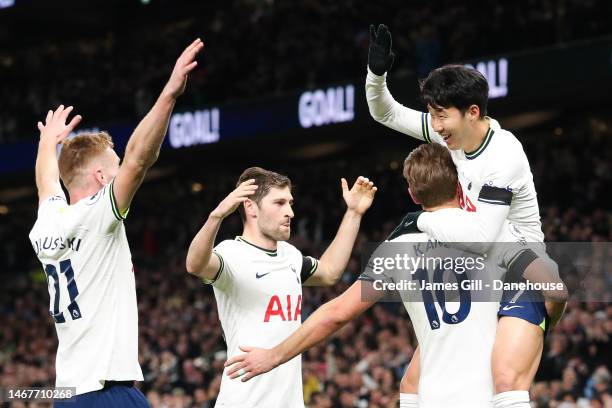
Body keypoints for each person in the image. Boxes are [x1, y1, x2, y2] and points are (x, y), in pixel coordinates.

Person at [223, 144, 558, 407]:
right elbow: (555, 291)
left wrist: (274, 355)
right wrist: (543, 326)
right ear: (460, 186)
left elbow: (336, 313)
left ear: (413, 195)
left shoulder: (395, 252)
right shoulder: (495, 236)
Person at [366, 24, 566, 407]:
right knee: (411, 385)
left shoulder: (503, 156)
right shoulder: (449, 135)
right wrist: (377, 75)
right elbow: (384, 112)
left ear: (472, 112)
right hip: (474, 270)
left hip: (519, 271)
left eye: (442, 116)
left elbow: (481, 235)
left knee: (505, 378)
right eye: (432, 115)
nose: (436, 126)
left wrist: (418, 220)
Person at [28, 38, 204, 407]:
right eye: (115, 167)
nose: (122, 171)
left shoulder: (48, 221)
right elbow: (141, 158)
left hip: (67, 394)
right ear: (101, 177)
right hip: (107, 392)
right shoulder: (97, 214)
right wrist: (169, 93)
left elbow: (47, 182)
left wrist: (48, 144)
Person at [185, 167, 377, 407]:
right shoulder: (231, 253)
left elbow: (330, 273)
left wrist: (353, 213)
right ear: (251, 207)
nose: (290, 212)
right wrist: (217, 216)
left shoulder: (290, 255)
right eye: (279, 203)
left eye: (290, 203)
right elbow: (195, 265)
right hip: (246, 399)